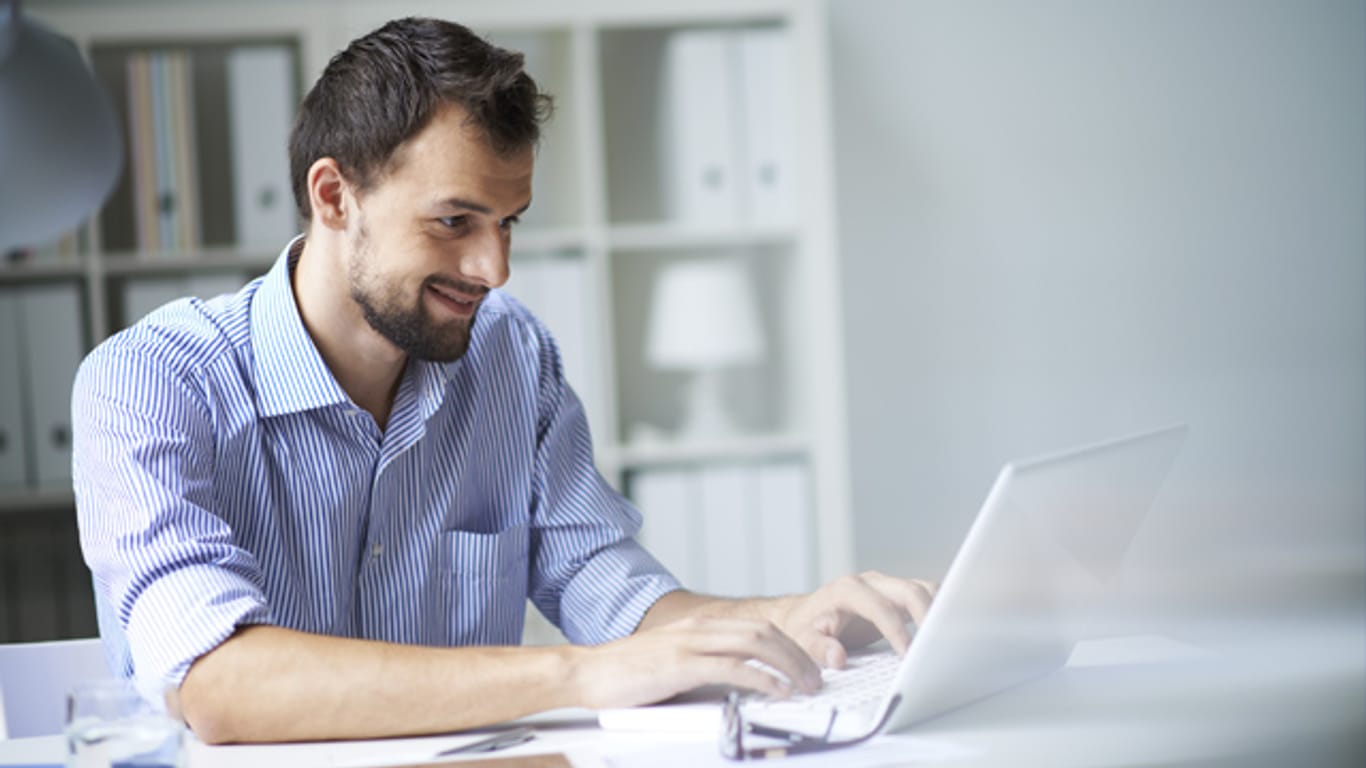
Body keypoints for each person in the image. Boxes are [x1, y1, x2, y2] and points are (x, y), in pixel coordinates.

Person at [72, 17, 935, 745]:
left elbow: (612, 592)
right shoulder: (150, 382)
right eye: (454, 221)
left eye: (508, 223)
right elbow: (217, 684)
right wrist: (580, 675)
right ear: (335, 197)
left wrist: (797, 615)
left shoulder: (512, 357)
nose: (494, 268)